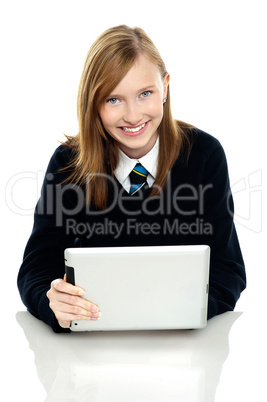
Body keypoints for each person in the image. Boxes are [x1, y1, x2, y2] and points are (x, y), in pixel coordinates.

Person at [18, 25, 246, 333]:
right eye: (113, 100)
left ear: (165, 87)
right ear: (93, 103)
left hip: (181, 349)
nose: (133, 115)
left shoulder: (204, 155)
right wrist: (53, 305)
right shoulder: (68, 164)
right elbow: (36, 268)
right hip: (91, 348)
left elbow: (228, 268)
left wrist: (187, 311)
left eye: (145, 94)